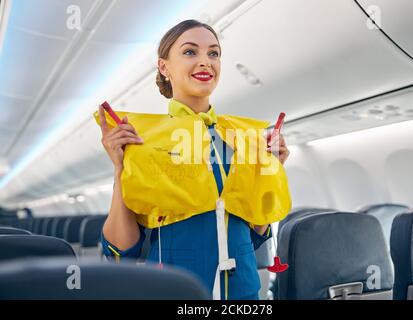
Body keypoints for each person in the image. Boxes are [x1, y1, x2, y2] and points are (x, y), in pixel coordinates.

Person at [98, 19, 290, 300]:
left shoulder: (241, 137)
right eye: (190, 52)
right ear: (164, 67)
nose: (205, 62)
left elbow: (253, 235)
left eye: (213, 53)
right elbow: (121, 250)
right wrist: (120, 169)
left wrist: (270, 170)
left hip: (243, 291)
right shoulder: (145, 140)